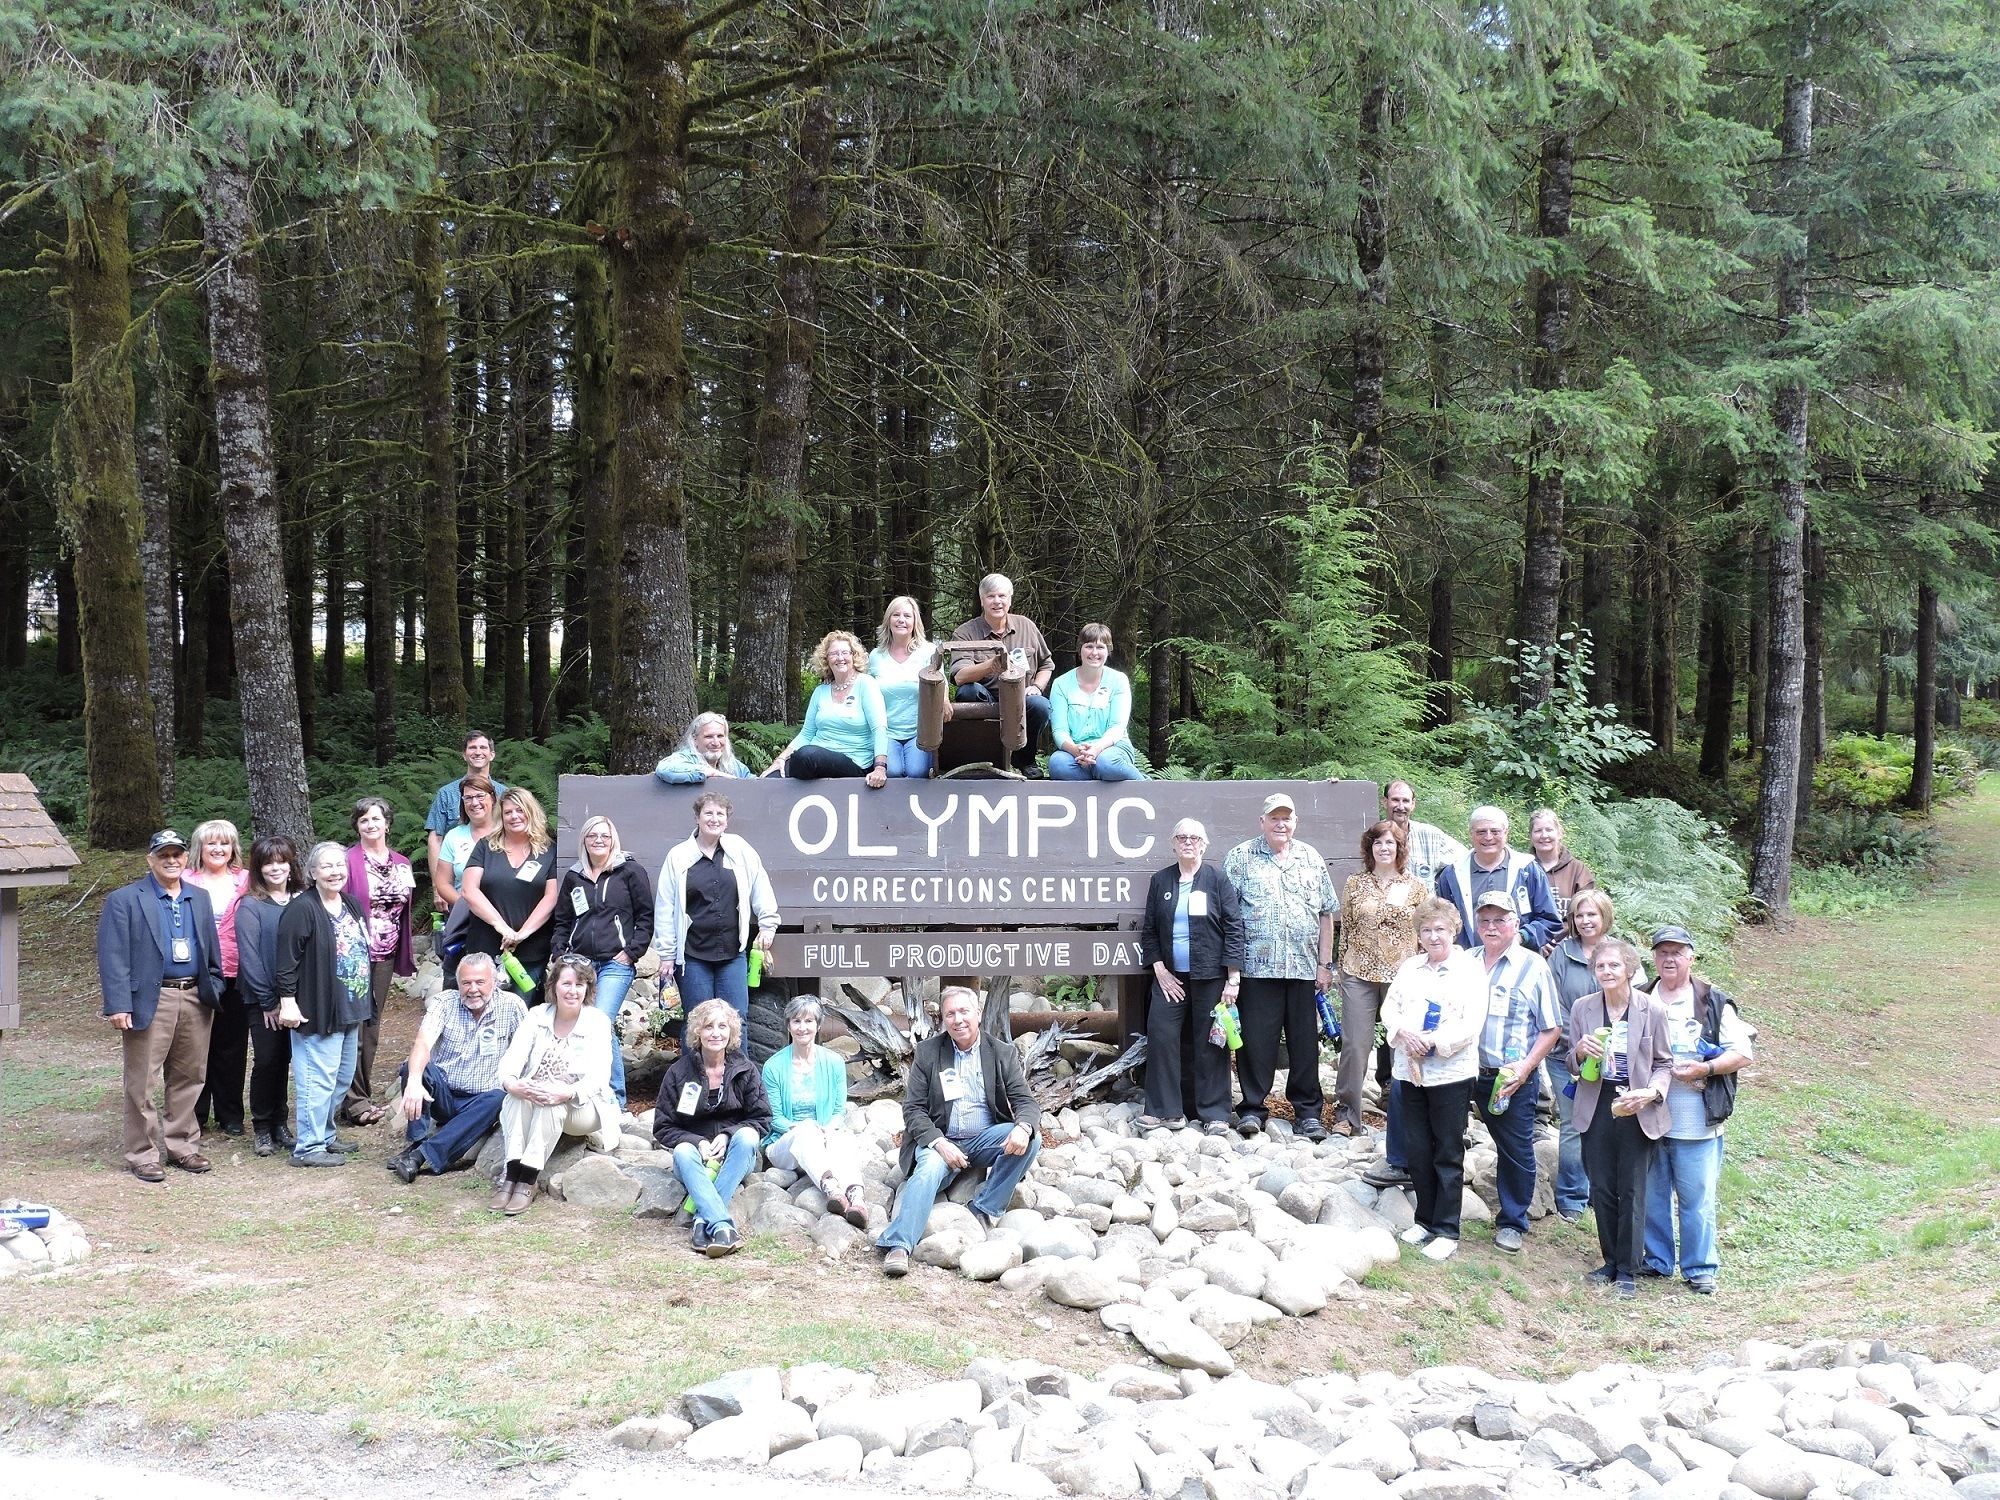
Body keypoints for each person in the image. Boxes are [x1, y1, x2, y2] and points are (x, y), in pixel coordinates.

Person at [877, 986, 1042, 1276]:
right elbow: (913, 1109)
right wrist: (939, 1143)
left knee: (1032, 1138)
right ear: (943, 1019)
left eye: (964, 1011)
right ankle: (899, 1244)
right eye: (950, 1014)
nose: (958, 1020)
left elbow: (1025, 1102)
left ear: (978, 1013)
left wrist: (1024, 1127)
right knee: (928, 1170)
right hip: (941, 1141)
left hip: (984, 1140)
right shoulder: (928, 1053)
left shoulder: (1001, 1052)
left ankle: (984, 1207)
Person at [98, 830, 224, 1182]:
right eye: (163, 855)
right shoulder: (125, 899)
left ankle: (183, 1146)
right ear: (150, 859)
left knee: (190, 1076)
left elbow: (211, 949)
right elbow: (113, 955)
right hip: (150, 999)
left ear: (186, 858)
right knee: (142, 1081)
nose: (171, 860)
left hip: (195, 997)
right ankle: (141, 1153)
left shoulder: (199, 897)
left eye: (177, 854)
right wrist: (119, 1005)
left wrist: (213, 986)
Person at [1638, 925, 1754, 1295]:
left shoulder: (1712, 1001)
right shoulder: (1641, 996)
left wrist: (1705, 1069)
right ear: (1654, 958)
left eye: (1677, 952)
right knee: (1652, 1195)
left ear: (1691, 957)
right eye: (1662, 952)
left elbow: (1743, 1054)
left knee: (1696, 1199)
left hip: (1697, 1120)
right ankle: (1657, 1260)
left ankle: (1700, 1268)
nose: (1669, 959)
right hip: (1649, 1117)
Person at [1222, 792, 1339, 1142]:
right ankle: (1253, 1109)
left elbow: (1326, 914)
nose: (1281, 824)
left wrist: (1325, 965)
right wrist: (1232, 969)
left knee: (1305, 1046)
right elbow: (1228, 917)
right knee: (1256, 1044)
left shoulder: (1311, 858)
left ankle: (1308, 1113)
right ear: (1262, 822)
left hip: (1303, 969)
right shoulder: (1240, 857)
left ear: (1295, 822)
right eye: (1274, 818)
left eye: (1286, 818)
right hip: (1256, 969)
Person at [1379, 897, 1483, 1261]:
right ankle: (1424, 1220)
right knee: (1417, 1147)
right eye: (1426, 930)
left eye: (1440, 929)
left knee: (1447, 1150)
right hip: (1410, 1071)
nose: (1434, 936)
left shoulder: (1469, 970)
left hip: (1451, 1073)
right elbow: (1389, 1008)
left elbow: (1471, 1022)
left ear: (1454, 930)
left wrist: (1434, 1042)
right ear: (1418, 935)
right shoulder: (1411, 967)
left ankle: (1447, 1229)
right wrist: (1404, 1033)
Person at [1568, 937, 1672, 1298]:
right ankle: (1610, 1261)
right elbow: (1571, 1063)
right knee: (1601, 1188)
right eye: (1600, 966)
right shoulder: (1583, 1008)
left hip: (1636, 1107)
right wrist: (1579, 1051)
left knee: (1631, 1189)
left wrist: (1651, 1093)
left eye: (1614, 965)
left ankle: (1628, 1270)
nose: (1607, 971)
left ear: (1629, 969)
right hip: (1596, 1105)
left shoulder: (1652, 1009)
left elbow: (1664, 1063)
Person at [1468, 891, 1564, 1253]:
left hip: (1509, 1077)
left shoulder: (1534, 966)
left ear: (1516, 924)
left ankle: (1512, 1222)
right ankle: (1438, 1215)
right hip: (1463, 1070)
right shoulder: (1465, 961)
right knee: (1442, 1137)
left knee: (1515, 1148)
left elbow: (1551, 1027)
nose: (1491, 927)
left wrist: (1525, 1068)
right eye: (1485, 920)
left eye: (1500, 920)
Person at [1136, 819, 1243, 1132]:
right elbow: (1150, 930)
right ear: (1173, 843)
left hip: (1210, 976)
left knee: (1211, 1043)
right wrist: (1160, 971)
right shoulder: (1161, 881)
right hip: (1170, 978)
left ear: (1204, 845)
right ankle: (1165, 1111)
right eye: (1182, 837)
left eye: (1195, 838)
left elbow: (1234, 928)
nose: (1188, 842)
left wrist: (1233, 978)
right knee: (1162, 1036)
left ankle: (1215, 1114)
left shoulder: (1217, 880)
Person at [384, 952, 528, 1183]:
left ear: (495, 982)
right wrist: (414, 1081)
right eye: (466, 983)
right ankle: (418, 1141)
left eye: (480, 982)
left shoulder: (512, 1006)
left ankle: (420, 1156)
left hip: (481, 1101)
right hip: (443, 1095)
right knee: (414, 1070)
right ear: (458, 983)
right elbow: (423, 1043)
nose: (473, 989)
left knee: (499, 1097)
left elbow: (526, 1051)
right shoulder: (444, 1003)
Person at [494, 956, 622, 1214]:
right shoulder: (537, 1015)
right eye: (566, 984)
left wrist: (567, 1092)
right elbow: (511, 1059)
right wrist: (511, 1083)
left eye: (579, 985)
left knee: (550, 1103)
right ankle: (512, 1174)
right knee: (515, 1097)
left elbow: (599, 1077)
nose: (572, 991)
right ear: (553, 986)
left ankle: (528, 1179)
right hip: (538, 1095)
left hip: (583, 1107)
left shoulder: (598, 1021)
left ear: (587, 989)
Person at [274, 842, 374, 1168]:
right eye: (327, 866)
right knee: (317, 1080)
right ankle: (308, 1146)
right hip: (317, 1009)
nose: (335, 872)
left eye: (340, 865)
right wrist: (287, 1003)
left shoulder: (351, 903)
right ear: (313, 872)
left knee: (341, 1078)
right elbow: (286, 962)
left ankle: (326, 1136)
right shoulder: (302, 909)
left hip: (350, 1007)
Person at [653, 998, 772, 1255]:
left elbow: (762, 1119)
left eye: (722, 1026)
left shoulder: (746, 1070)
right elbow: (663, 1127)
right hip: (695, 1160)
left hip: (734, 1157)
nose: (715, 1033)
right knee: (683, 1151)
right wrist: (697, 1142)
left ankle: (701, 1221)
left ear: (732, 1031)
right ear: (697, 1032)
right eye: (708, 1026)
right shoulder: (678, 1073)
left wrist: (729, 1136)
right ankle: (721, 1226)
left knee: (748, 1136)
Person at [551, 815, 654, 1108]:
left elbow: (646, 916)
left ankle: (614, 1099)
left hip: (615, 964)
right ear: (584, 840)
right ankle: (584, 1092)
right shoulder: (574, 876)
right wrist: (559, 954)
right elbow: (563, 920)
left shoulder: (630, 872)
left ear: (613, 840)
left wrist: (632, 952)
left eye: (604, 836)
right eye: (592, 835)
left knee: (599, 1021)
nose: (598, 840)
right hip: (579, 965)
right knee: (581, 1023)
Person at [653, 792, 779, 1025]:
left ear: (727, 821)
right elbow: (665, 907)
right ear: (697, 818)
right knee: (697, 1021)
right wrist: (667, 955)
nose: (714, 819)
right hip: (693, 955)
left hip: (732, 953)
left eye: (720, 814)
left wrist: (767, 925)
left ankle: (737, 1053)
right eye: (708, 813)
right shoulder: (678, 856)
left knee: (736, 1020)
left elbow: (760, 885)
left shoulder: (739, 849)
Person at [1333, 820, 1424, 1138]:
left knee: (1405, 1044)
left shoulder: (1416, 886)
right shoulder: (1355, 883)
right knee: (1355, 1045)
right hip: (1358, 973)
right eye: (1378, 842)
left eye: (1390, 843)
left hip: (1403, 977)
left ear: (1400, 848)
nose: (1384, 848)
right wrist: (1341, 970)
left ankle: (1410, 1115)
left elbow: (1424, 934)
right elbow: (1346, 929)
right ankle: (1347, 1115)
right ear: (1369, 848)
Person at [761, 996, 870, 1228]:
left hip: (824, 1137)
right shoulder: (773, 1067)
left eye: (809, 1021)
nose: (803, 1028)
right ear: (788, 1025)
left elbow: (839, 1112)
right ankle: (831, 1188)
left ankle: (856, 1199)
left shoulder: (834, 1062)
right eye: (797, 1021)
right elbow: (774, 1119)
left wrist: (827, 1129)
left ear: (818, 1025)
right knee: (808, 1130)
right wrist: (806, 1129)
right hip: (785, 1143)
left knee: (839, 1137)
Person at [1544, 888, 1618, 1223]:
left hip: (1612, 1058)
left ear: (1605, 917)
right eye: (1579, 915)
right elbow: (1553, 1002)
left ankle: (1600, 1191)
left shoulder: (1619, 953)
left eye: (1592, 914)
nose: (1586, 921)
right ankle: (1572, 1196)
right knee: (1575, 1123)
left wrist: (1610, 1045)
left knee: (1606, 1123)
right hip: (1565, 1057)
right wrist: (1577, 1044)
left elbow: (1635, 1002)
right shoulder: (1562, 953)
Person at [342, 796, 416, 1128]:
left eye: (376, 819)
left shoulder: (402, 863)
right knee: (353, 1026)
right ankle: (354, 1101)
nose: (371, 825)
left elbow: (403, 909)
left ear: (387, 823)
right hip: (353, 956)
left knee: (371, 1026)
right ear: (356, 826)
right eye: (364, 820)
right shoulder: (347, 862)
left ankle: (357, 1096)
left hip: (386, 955)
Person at [234, 835, 304, 1157]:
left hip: (297, 997)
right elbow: (249, 957)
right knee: (267, 1060)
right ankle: (262, 1127)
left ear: (291, 865)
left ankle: (280, 1123)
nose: (275, 868)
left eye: (281, 861)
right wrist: (269, 1002)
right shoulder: (251, 905)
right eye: (268, 863)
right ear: (258, 868)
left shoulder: (302, 900)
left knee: (285, 1060)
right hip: (262, 999)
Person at [950, 573, 1054, 776]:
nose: (997, 601)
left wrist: (1037, 687)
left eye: (1002, 596)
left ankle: (1025, 760)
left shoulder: (1026, 626)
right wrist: (991, 665)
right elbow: (960, 677)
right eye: (990, 596)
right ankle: (982, 759)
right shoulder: (965, 632)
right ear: (982, 600)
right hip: (985, 699)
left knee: (1040, 705)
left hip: (1021, 698)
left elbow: (1046, 665)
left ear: (1010, 599)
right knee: (968, 691)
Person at [459, 787, 560, 991]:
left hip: (531, 949)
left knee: (523, 1005)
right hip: (485, 947)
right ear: (501, 816)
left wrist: (522, 934)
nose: (514, 816)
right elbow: (469, 890)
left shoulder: (550, 851)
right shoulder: (485, 847)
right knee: (482, 1002)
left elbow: (551, 897)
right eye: (508, 812)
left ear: (531, 812)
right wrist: (502, 927)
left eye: (520, 810)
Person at [187, 819, 251, 1138]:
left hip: (237, 971)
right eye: (211, 843)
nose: (218, 849)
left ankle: (231, 1114)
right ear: (199, 847)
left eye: (224, 843)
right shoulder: (185, 879)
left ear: (233, 848)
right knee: (194, 1044)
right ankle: (194, 1113)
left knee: (232, 1044)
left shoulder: (246, 880)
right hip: (196, 972)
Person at [765, 631, 890, 785]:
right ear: (826, 659)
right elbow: (806, 733)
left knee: (805, 755)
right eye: (834, 654)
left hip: (853, 760)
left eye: (845, 652)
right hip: (813, 759)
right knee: (770, 780)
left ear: (854, 656)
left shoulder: (866, 684)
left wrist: (880, 767)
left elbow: (879, 729)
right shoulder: (820, 691)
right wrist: (781, 759)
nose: (840, 658)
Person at [1436, 806, 1562, 953]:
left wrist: (1521, 937)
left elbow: (1549, 920)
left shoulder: (1528, 870)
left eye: (1495, 831)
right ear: (1471, 833)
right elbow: (1442, 921)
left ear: (1506, 833)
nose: (1488, 837)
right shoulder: (1452, 875)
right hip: (1466, 960)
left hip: (1518, 960)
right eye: (1481, 832)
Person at [1047, 623, 1145, 781]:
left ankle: (1146, 786)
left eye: (1100, 647)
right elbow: (1059, 731)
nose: (1094, 653)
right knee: (1058, 765)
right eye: (1089, 646)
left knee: (1106, 764)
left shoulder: (1118, 680)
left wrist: (1097, 749)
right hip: (1076, 751)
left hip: (1113, 747)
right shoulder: (1061, 684)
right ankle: (1102, 781)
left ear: (1108, 651)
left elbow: (1117, 727)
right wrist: (1075, 750)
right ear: (1080, 649)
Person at [426, 731, 507, 909]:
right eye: (472, 748)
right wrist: (438, 888)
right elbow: (435, 839)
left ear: (492, 754)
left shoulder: (504, 793)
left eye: (483, 747)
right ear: (464, 755)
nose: (478, 752)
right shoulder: (446, 794)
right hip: (456, 891)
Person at [869, 596, 937, 779]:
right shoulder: (875, 656)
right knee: (892, 772)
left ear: (915, 621)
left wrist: (945, 700)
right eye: (896, 615)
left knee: (917, 772)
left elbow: (941, 684)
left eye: (907, 616)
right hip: (886, 731)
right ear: (888, 620)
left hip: (919, 731)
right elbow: (861, 687)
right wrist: (830, 679)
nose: (901, 620)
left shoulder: (928, 652)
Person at [1381, 780, 1466, 896]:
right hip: (1386, 906)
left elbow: (1465, 859)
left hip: (1425, 906)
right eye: (1395, 800)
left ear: (1413, 804)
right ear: (1385, 802)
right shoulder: (1375, 837)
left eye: (1405, 801)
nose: (1400, 806)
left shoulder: (1431, 836)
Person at [434, 774, 500, 912]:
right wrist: (466, 907)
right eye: (468, 798)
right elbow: (443, 883)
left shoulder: (506, 833)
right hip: (465, 915)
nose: (474, 803)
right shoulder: (453, 836)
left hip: (505, 913)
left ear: (493, 798)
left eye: (480, 796)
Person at [1529, 808, 1598, 927]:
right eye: (1538, 831)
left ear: (1559, 833)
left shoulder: (1578, 870)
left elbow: (1587, 913)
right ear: (1530, 835)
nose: (1544, 835)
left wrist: (1560, 934)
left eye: (1549, 830)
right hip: (1531, 937)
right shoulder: (1523, 869)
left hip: (1571, 937)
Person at [654, 712, 756, 784]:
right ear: (695, 739)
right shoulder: (685, 757)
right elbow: (664, 769)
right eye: (709, 737)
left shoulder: (733, 766)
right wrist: (711, 773)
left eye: (720, 736)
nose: (716, 743)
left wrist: (764, 776)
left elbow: (753, 783)